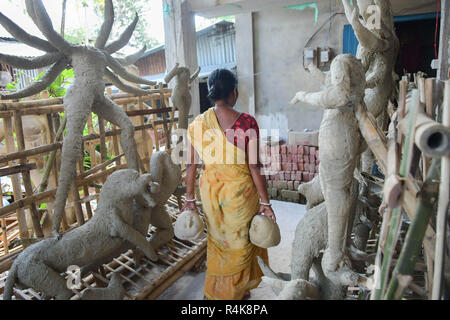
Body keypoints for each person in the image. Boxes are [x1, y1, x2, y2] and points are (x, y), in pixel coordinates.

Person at [183, 69, 276, 300]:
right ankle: (233, 292)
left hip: (212, 196)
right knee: (240, 244)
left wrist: (189, 199)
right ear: (234, 92)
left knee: (218, 241)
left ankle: (218, 293)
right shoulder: (246, 122)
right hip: (240, 196)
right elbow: (255, 167)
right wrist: (265, 202)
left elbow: (191, 166)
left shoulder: (197, 125)